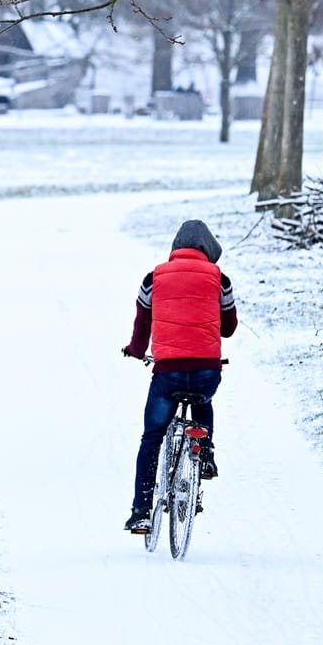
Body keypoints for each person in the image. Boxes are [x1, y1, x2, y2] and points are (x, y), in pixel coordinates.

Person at [119, 219, 238, 535]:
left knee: (152, 437)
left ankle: (142, 511)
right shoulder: (220, 279)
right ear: (208, 250)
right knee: (204, 397)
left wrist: (135, 349)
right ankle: (206, 453)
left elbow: (143, 321)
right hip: (206, 371)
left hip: (167, 373)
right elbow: (228, 327)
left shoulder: (153, 278)